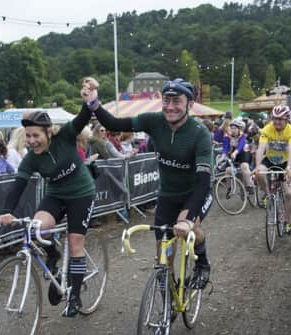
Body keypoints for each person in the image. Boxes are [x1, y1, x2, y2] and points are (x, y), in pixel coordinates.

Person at [88, 77, 214, 289]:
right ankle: (168, 292)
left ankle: (202, 263)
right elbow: (113, 124)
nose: (171, 106)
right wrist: (93, 103)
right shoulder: (154, 121)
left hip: (195, 192)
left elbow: (203, 181)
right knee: (163, 254)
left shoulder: (200, 134)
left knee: (190, 228)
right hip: (167, 194)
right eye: (167, 100)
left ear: (190, 105)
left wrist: (188, 219)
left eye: (177, 101)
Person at [0, 85, 95, 317]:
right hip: (56, 195)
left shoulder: (65, 137)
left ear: (48, 133)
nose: (31, 141)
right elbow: (18, 185)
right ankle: (53, 255)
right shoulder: (31, 159)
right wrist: (6, 211)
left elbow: (83, 117)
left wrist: (87, 101)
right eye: (28, 136)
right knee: (37, 228)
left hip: (82, 194)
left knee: (75, 243)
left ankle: (74, 297)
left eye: (36, 135)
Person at [252, 104, 291, 235]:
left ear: (287, 119)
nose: (276, 121)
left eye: (280, 119)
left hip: (285, 162)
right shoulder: (267, 129)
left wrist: (289, 167)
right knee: (259, 172)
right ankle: (268, 194)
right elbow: (261, 148)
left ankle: (287, 221)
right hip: (270, 160)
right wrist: (256, 166)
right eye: (274, 118)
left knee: (288, 193)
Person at [222, 119, 254, 195]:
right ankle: (229, 188)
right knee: (228, 170)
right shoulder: (227, 136)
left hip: (243, 152)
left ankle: (249, 185)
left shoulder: (242, 136)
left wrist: (235, 152)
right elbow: (225, 148)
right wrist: (223, 156)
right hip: (233, 153)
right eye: (232, 128)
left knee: (244, 166)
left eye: (235, 128)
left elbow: (240, 145)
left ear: (239, 129)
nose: (233, 130)